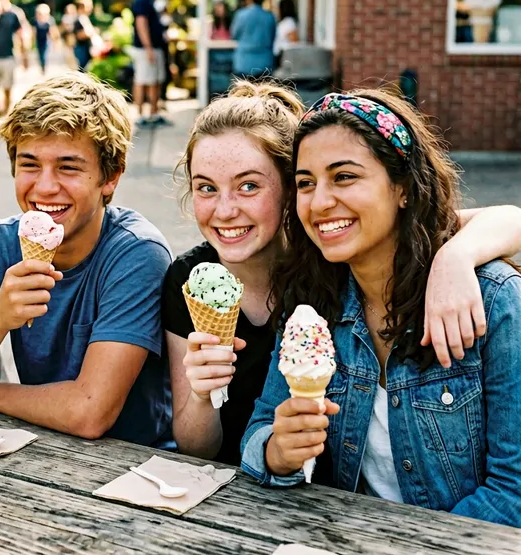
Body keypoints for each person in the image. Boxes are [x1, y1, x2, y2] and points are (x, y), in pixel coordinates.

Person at [163, 81, 521, 465]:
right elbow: (246, 438)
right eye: (205, 188)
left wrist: (455, 258)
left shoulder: (324, 276)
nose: (226, 209)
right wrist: (269, 448)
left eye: (249, 185)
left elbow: (479, 222)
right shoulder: (313, 294)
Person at [243, 89, 521, 527]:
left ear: (403, 188)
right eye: (305, 182)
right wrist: (277, 453)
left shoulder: (493, 299)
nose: (319, 202)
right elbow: (260, 429)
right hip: (341, 551)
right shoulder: (312, 303)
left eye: (345, 177)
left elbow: (514, 491)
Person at [0, 72, 173, 447]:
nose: (45, 186)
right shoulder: (4, 243)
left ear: (110, 177)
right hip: (44, 446)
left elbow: (90, 412)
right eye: (30, 164)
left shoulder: (136, 253)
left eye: (68, 167)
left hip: (138, 463)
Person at [131, 0, 170, 127]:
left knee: (154, 81)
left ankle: (153, 114)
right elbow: (141, 24)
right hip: (146, 48)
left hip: (154, 47)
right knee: (143, 80)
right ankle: (140, 115)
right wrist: (148, 48)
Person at [231, 0, 276, 79]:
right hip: (264, 63)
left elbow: (234, 35)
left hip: (243, 62)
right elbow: (272, 38)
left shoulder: (241, 15)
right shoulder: (270, 17)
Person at [273, 0, 299, 67]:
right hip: (278, 55)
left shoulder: (289, 23)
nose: (276, 10)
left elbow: (294, 43)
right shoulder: (284, 22)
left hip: (283, 57)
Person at [72, 0, 96, 72]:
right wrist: (90, 33)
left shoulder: (84, 18)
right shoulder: (79, 19)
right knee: (82, 68)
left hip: (85, 48)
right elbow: (79, 34)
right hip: (81, 48)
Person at [34, 3, 58, 75]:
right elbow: (33, 31)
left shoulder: (49, 21)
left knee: (44, 54)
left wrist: (55, 42)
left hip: (46, 40)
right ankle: (42, 66)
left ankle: (44, 67)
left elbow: (52, 31)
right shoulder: (35, 21)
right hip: (39, 40)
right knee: (40, 55)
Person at [59, 3, 78, 69]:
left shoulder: (75, 17)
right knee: (68, 52)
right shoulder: (65, 17)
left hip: (73, 36)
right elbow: (63, 27)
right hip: (67, 36)